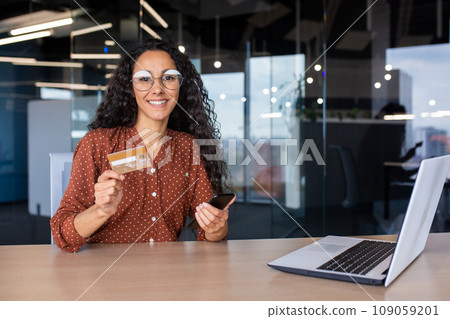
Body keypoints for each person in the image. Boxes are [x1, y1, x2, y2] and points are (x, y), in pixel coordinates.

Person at [50, 39, 234, 253]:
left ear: (180, 87)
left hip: (167, 276)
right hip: (104, 276)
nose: (157, 89)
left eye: (169, 78)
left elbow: (212, 235)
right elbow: (62, 235)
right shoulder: (98, 143)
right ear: (130, 88)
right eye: (144, 79)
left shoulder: (187, 147)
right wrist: (100, 210)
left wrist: (216, 226)